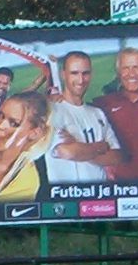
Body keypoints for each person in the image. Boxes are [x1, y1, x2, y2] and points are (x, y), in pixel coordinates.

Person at [45, 51, 120, 183]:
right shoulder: (52, 111)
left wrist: (80, 148)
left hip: (99, 197)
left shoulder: (97, 113)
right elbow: (67, 152)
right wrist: (101, 147)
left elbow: (117, 156)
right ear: (64, 75)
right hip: (66, 197)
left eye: (85, 73)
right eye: (74, 73)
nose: (81, 80)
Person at [93, 47, 138, 180]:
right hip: (116, 185)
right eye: (126, 68)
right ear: (119, 73)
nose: (131, 74)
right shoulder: (103, 105)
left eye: (136, 67)